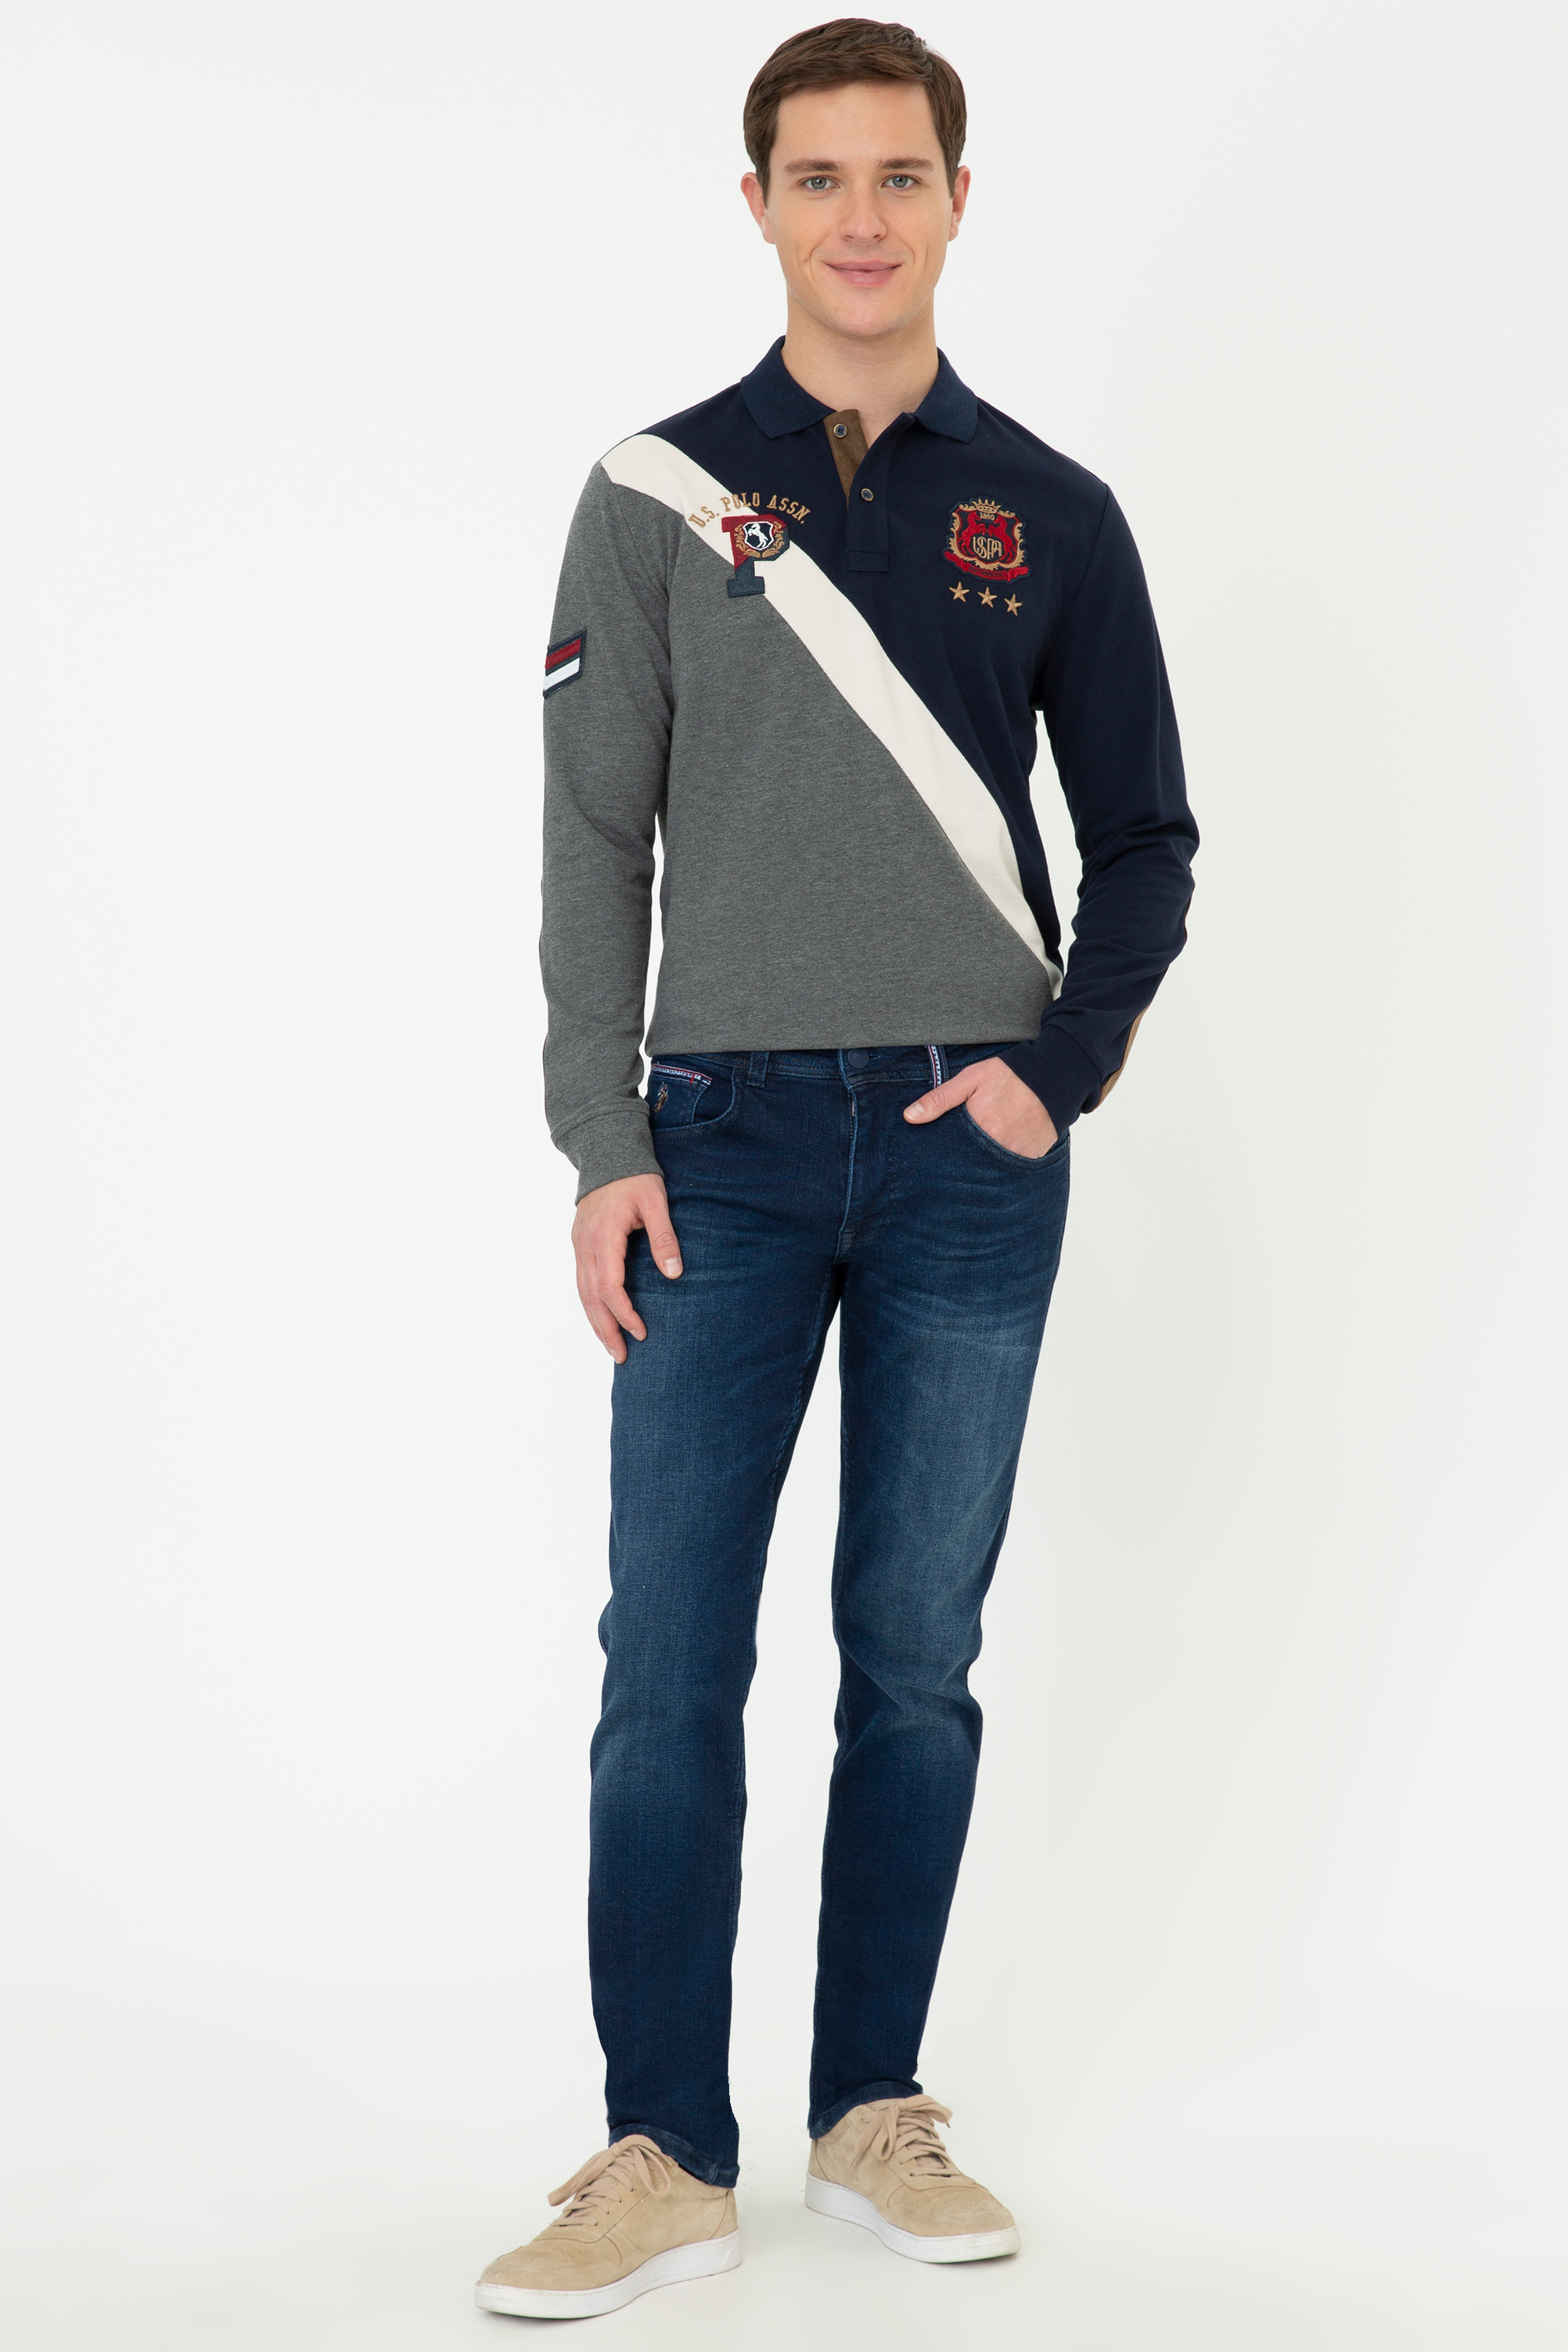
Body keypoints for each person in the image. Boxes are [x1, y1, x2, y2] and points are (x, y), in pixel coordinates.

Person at [478, 16, 1197, 2321]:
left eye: (901, 176)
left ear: (960, 200)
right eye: (820, 177)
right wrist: (600, 1139)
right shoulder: (658, 493)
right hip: (721, 1150)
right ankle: (660, 2152)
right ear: (759, 204)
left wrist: (1053, 1073)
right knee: (668, 1655)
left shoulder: (1052, 509)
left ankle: (871, 2106)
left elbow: (1148, 840)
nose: (862, 217)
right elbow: (592, 844)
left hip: (973, 1153)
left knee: (912, 1655)